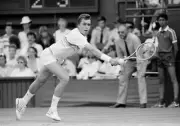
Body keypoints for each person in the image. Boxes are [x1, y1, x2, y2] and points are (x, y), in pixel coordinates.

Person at [15, 14, 124, 121]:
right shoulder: (77, 35)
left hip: (55, 58)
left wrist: (113, 60)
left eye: (89, 24)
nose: (87, 26)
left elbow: (90, 50)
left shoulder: (82, 37)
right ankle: (52, 110)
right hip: (50, 55)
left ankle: (22, 102)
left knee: (40, 81)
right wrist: (110, 60)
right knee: (64, 78)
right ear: (78, 25)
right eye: (84, 24)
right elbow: (93, 50)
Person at [111, 23, 149, 108]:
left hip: (141, 59)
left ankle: (143, 102)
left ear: (127, 31)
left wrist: (139, 68)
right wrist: (122, 67)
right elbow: (120, 56)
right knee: (122, 78)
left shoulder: (134, 38)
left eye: (122, 32)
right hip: (129, 61)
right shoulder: (117, 41)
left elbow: (139, 54)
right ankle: (121, 102)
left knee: (141, 78)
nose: (121, 34)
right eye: (119, 32)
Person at [152, 13, 179, 108]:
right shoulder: (157, 33)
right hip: (160, 58)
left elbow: (175, 48)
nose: (161, 21)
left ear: (167, 21)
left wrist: (173, 58)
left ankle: (176, 101)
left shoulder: (171, 32)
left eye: (163, 20)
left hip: (169, 58)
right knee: (161, 80)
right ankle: (161, 102)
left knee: (174, 79)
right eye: (160, 20)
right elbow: (156, 47)